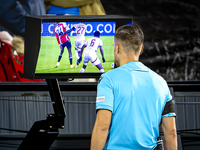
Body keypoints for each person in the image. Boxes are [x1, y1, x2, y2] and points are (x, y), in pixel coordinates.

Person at [90, 24, 177, 150]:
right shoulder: (161, 83)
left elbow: (102, 126)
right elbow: (171, 132)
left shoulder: (108, 79)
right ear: (141, 49)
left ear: (117, 48)